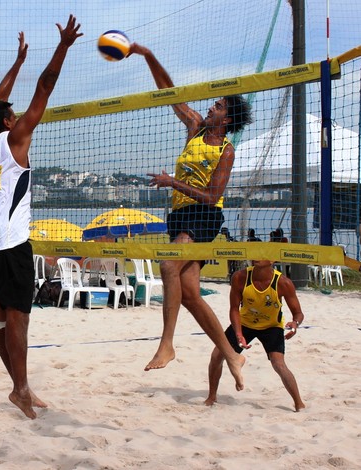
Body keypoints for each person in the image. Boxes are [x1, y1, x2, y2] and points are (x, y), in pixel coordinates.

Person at [0, 16, 82, 419]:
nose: (19, 117)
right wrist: (64, 46)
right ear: (8, 123)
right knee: (19, 321)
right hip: (10, 243)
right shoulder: (16, 139)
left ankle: (21, 387)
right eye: (13, 115)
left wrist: (17, 62)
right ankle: (20, 388)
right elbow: (45, 87)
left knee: (0, 321)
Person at [130, 43, 252, 391]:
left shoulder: (225, 151)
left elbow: (213, 196)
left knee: (168, 266)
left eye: (217, 105)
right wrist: (149, 55)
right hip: (181, 214)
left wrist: (172, 181)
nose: (209, 106)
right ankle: (231, 354)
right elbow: (170, 94)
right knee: (189, 293)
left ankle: (167, 343)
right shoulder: (196, 128)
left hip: (205, 214)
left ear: (226, 119)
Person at [205, 260, 306, 411]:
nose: (257, 255)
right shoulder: (240, 277)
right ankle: (211, 397)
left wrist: (295, 324)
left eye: (262, 253)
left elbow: (298, 313)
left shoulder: (283, 283)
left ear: (272, 260)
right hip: (245, 324)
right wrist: (238, 333)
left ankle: (299, 403)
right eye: (255, 251)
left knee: (278, 364)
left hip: (272, 326)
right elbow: (234, 309)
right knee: (216, 356)